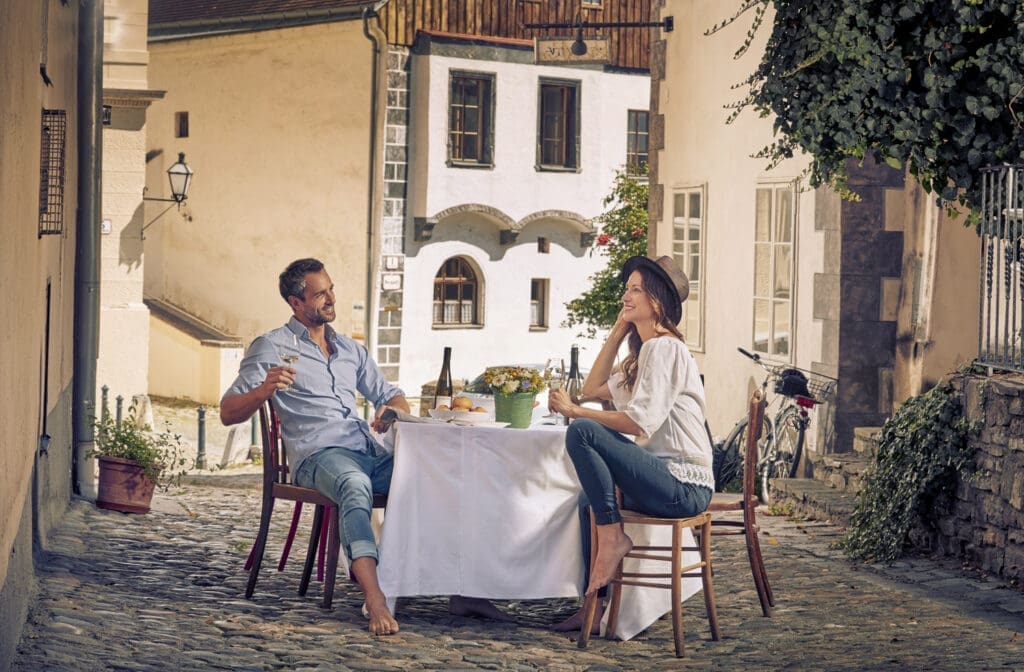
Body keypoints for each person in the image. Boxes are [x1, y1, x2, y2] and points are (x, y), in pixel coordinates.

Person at [221, 258, 511, 635]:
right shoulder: (272, 346)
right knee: (353, 485)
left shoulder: (349, 350)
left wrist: (390, 410)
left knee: (447, 478)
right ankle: (375, 598)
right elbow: (228, 411)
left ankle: (463, 590)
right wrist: (264, 389)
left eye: (331, 289)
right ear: (296, 302)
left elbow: (393, 395)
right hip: (318, 456)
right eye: (320, 293)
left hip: (368, 450)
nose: (331, 298)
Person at [547, 255, 714, 632]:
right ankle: (595, 608)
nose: (626, 295)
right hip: (663, 479)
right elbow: (591, 390)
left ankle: (611, 539)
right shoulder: (643, 354)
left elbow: (638, 422)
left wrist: (575, 413)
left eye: (635, 289)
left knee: (582, 431)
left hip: (685, 486)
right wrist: (618, 332)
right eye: (627, 288)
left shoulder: (665, 349)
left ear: (657, 302)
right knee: (587, 502)